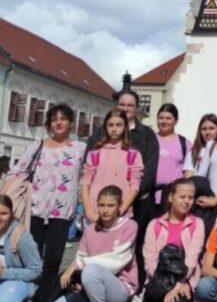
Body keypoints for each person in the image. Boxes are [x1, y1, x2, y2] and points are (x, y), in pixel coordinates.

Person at [4, 103, 86, 294]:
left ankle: (46, 296)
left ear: (71, 123)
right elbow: (17, 170)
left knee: (53, 258)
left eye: (63, 119)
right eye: (54, 119)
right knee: (33, 254)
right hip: (35, 208)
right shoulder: (37, 145)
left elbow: (89, 174)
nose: (58, 123)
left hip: (63, 209)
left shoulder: (80, 148)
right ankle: (30, 293)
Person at [87, 89, 159, 289]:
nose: (126, 108)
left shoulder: (146, 135)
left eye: (130, 105)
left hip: (135, 204)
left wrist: (127, 201)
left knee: (131, 249)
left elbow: (148, 170)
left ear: (137, 109)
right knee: (100, 248)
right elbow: (88, 171)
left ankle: (130, 290)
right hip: (102, 205)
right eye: (122, 104)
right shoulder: (99, 135)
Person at [49, 185, 139, 302]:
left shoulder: (130, 226)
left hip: (120, 288)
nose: (105, 210)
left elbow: (118, 260)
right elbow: (81, 255)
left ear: (119, 206)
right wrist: (77, 277)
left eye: (110, 205)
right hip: (91, 285)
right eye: (101, 205)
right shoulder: (90, 230)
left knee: (90, 270)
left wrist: (79, 265)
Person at [136, 178, 205, 302]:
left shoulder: (197, 224)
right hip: (157, 283)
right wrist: (168, 287)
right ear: (170, 197)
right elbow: (150, 262)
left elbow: (191, 261)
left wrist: (178, 285)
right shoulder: (155, 225)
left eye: (190, 197)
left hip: (183, 284)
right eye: (182, 197)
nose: (187, 201)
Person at [81, 110, 144, 223]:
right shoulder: (95, 153)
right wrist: (88, 211)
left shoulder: (133, 154)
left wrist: (121, 210)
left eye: (118, 125)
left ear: (125, 127)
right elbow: (85, 182)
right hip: (95, 212)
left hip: (120, 214)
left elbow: (134, 186)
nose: (114, 129)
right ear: (105, 127)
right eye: (110, 125)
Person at [153, 104, 192, 211]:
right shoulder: (150, 140)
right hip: (150, 197)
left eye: (168, 118)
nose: (164, 121)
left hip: (173, 198)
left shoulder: (185, 144)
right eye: (161, 118)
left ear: (176, 120)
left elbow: (188, 173)